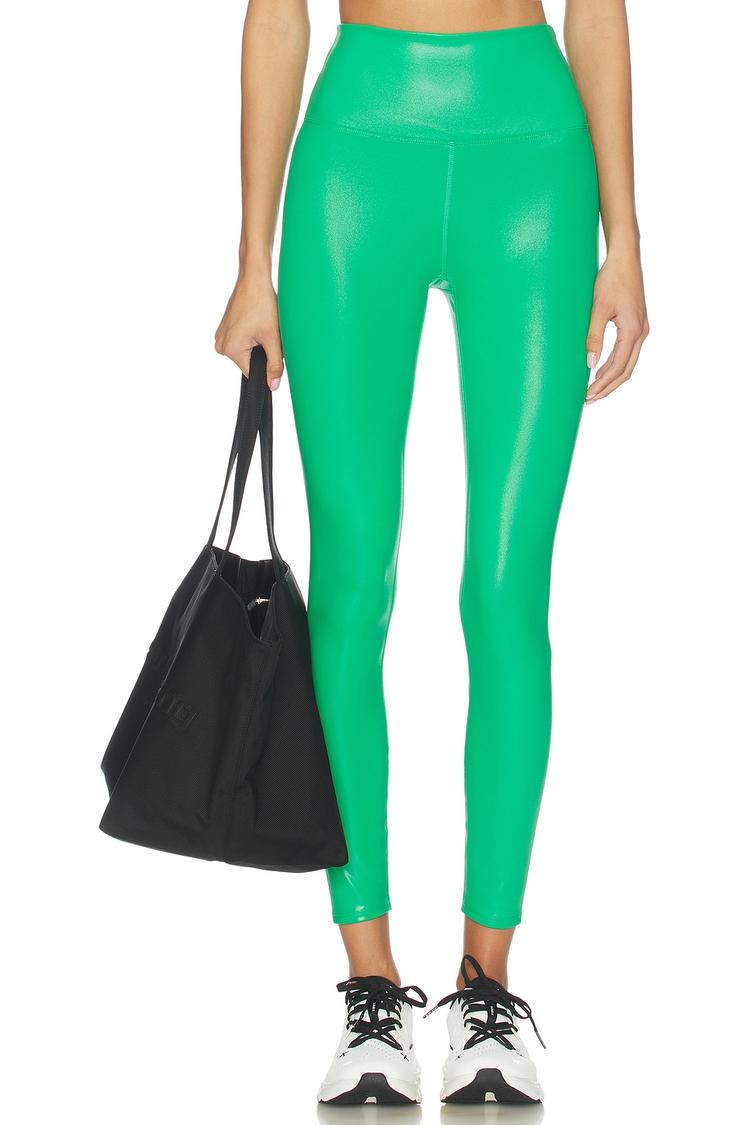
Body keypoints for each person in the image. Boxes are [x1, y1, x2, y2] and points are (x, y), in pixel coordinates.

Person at [215, 0, 648, 1106]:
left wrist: (628, 243)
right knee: (351, 586)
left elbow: (598, 8)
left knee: (506, 592)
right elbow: (277, 15)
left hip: (535, 163)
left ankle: (485, 987)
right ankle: (370, 987)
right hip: (357, 159)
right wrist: (252, 262)